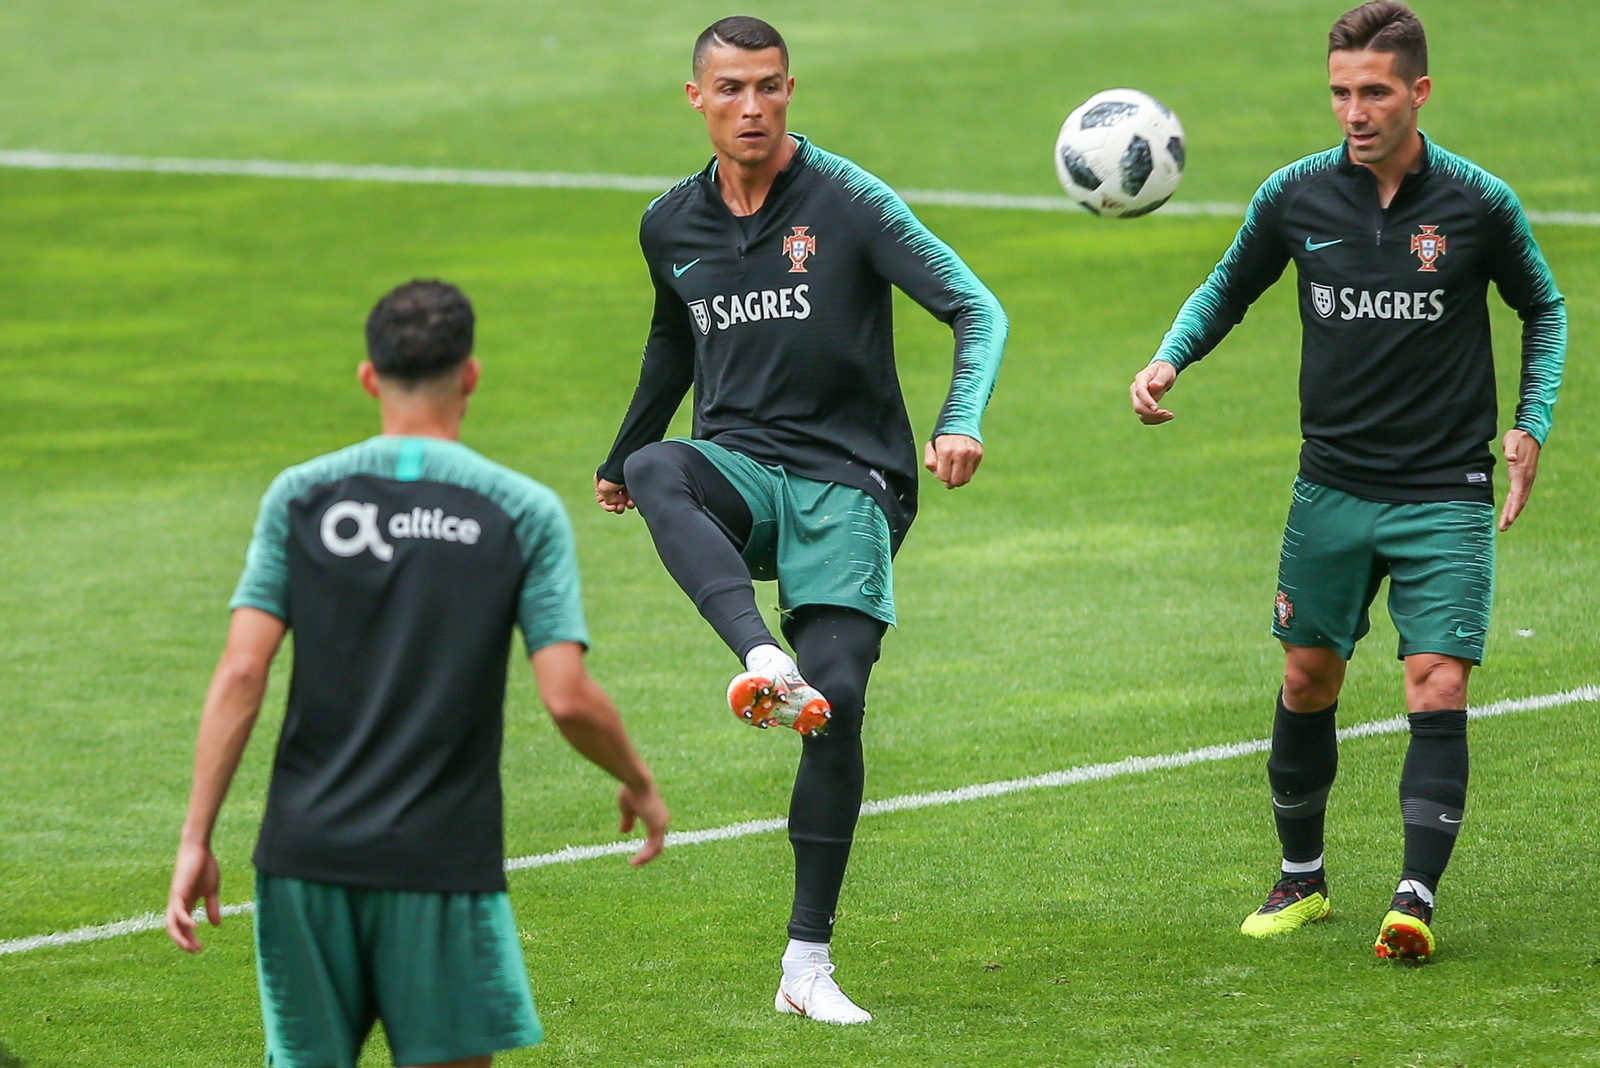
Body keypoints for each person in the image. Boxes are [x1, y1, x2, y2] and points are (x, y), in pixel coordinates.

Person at [1129, 0, 1565, 963]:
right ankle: (1302, 878)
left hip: (1445, 490)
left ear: (1418, 91)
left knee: (1435, 681)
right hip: (1330, 489)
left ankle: (1413, 895)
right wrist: (1169, 360)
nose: (1354, 111)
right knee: (1307, 676)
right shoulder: (1295, 196)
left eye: (1373, 92)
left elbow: (1545, 306)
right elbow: (1227, 286)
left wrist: (1530, 424)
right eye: (1339, 93)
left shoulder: (1476, 204)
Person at [594, 16, 1005, 1022]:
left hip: (849, 478)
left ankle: (805, 968)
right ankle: (758, 658)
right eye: (730, 89)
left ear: (789, 90)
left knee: (844, 699)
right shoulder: (669, 226)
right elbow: (670, 342)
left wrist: (960, 422)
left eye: (769, 87)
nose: (751, 107)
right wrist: (623, 448)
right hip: (739, 462)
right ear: (696, 97)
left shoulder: (850, 202)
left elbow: (975, 307)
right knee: (659, 468)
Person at [165, 280, 669, 1067]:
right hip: (440, 865)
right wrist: (637, 778)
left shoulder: (299, 497)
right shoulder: (519, 510)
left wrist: (196, 838)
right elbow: (567, 697)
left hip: (304, 858)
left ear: (369, 377)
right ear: (470, 376)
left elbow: (240, 672)